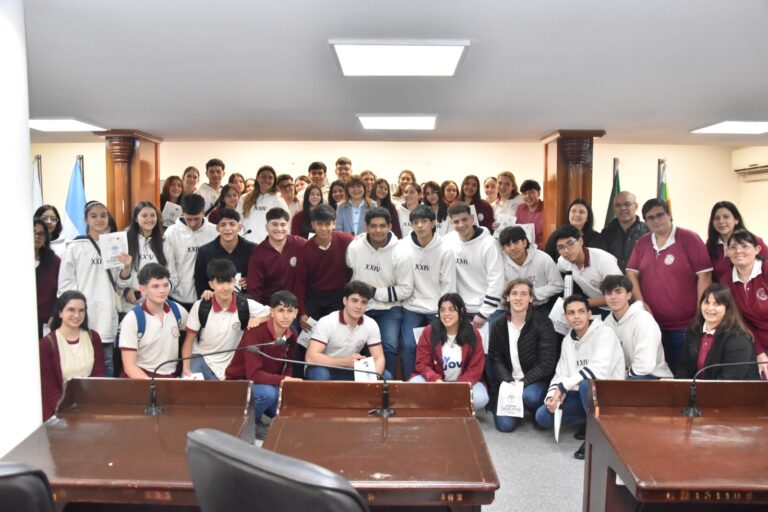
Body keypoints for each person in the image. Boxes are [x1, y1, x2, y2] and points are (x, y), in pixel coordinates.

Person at [626, 198, 712, 372]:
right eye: (651, 217)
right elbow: (630, 273)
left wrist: (699, 314)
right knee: (658, 377)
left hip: (685, 327)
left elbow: (705, 275)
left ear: (669, 215)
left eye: (660, 215)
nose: (656, 220)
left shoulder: (689, 238)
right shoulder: (642, 242)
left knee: (683, 376)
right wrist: (641, 303)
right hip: (652, 326)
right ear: (646, 221)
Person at [534, 294, 625, 460]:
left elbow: (599, 370)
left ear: (589, 314)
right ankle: (588, 420)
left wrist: (564, 386)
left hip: (608, 394)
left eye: (581, 311)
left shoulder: (605, 333)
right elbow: (560, 374)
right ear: (565, 317)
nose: (576, 316)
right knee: (543, 416)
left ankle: (595, 436)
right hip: (580, 395)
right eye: (571, 313)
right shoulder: (568, 341)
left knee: (586, 384)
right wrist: (552, 397)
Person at [226, 290, 301, 440]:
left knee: (293, 411)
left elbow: (288, 365)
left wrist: (287, 384)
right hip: (242, 383)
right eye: (280, 311)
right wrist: (283, 381)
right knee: (268, 394)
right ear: (271, 312)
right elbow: (253, 375)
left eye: (290, 311)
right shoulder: (255, 332)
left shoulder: (292, 334)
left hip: (269, 383)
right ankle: (249, 423)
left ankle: (260, 417)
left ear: (296, 313)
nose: (285, 316)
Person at [346, 207, 413, 376]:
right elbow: (349, 273)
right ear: (366, 227)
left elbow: (405, 290)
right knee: (350, 344)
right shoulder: (354, 247)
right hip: (361, 306)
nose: (378, 230)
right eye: (373, 226)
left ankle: (386, 384)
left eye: (383, 226)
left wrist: (374, 292)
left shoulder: (402, 252)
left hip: (389, 309)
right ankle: (357, 385)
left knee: (389, 344)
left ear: (390, 226)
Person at [58, 201, 120, 376]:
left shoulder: (115, 245)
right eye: (94, 216)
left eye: (103, 215)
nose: (99, 219)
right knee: (81, 363)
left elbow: (120, 283)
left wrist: (127, 268)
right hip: (83, 315)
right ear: (86, 219)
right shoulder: (75, 247)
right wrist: (74, 311)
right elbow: (65, 285)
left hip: (107, 314)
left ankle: (106, 401)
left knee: (107, 362)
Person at [488, 279, 557, 432]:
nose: (518, 298)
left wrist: (522, 383)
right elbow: (495, 358)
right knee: (505, 426)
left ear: (531, 298)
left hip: (533, 382)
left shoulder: (543, 323)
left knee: (530, 397)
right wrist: (508, 380)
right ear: (507, 297)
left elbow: (546, 364)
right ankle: (515, 407)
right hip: (510, 382)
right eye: (514, 293)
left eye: (524, 294)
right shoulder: (498, 325)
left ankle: (535, 408)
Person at [182, 259, 268, 381]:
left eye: (229, 282)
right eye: (220, 282)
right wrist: (186, 368)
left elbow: (273, 314)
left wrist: (259, 319)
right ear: (211, 284)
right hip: (202, 359)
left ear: (235, 282)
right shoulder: (200, 306)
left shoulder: (245, 304)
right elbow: (189, 341)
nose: (225, 287)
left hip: (231, 364)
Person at [397, 205, 457, 378]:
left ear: (433, 224)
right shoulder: (402, 246)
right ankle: (412, 382)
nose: (420, 226)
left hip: (436, 309)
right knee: (408, 345)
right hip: (411, 306)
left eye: (424, 221)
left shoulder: (445, 249)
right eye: (415, 222)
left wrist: (444, 313)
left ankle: (438, 383)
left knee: (440, 347)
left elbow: (448, 285)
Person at [410, 293, 488, 411]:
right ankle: (452, 406)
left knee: (480, 398)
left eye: (452, 310)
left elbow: (476, 368)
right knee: (413, 387)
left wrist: (457, 387)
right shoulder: (429, 331)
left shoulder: (473, 333)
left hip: (462, 383)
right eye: (442, 310)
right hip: (436, 382)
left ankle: (441, 405)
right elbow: (422, 363)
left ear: (461, 311)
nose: (446, 314)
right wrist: (435, 379)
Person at [39, 291, 105, 420]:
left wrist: (89, 406)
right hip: (60, 412)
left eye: (81, 311)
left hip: (89, 406)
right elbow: (48, 386)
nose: (77, 315)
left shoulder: (93, 337)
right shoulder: (46, 344)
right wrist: (67, 411)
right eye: (71, 310)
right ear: (60, 313)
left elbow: (98, 374)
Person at [305, 281, 388, 380]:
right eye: (354, 300)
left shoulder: (371, 324)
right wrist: (344, 362)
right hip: (323, 366)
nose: (359, 306)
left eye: (363, 302)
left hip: (350, 369)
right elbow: (311, 357)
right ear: (345, 301)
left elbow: (379, 358)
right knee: (321, 374)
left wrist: (374, 377)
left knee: (385, 376)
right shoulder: (327, 322)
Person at [674, 284, 759, 380]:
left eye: (717, 304)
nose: (710, 308)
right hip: (696, 391)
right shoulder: (693, 331)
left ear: (727, 308)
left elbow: (729, 380)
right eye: (706, 302)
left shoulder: (738, 339)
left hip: (731, 393)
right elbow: (683, 367)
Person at [120, 263, 188, 378]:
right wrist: (151, 386)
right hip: (141, 376)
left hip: (171, 376)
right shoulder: (132, 319)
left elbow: (193, 336)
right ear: (143, 289)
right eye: (155, 286)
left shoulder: (177, 310)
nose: (162, 291)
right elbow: (129, 366)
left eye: (165, 285)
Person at [444, 203, 505, 330]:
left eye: (464, 219)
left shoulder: (490, 244)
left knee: (489, 349)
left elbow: (496, 281)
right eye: (456, 221)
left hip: (490, 310)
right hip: (462, 310)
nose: (461, 225)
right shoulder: (447, 241)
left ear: (472, 218)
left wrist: (483, 313)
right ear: (450, 223)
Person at [600, 275, 673, 379]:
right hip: (625, 376)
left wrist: (621, 376)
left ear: (629, 295)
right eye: (609, 293)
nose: (613, 297)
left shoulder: (643, 320)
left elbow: (645, 366)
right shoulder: (607, 323)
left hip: (652, 377)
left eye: (618, 292)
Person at [721, 229, 768, 375]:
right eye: (733, 247)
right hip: (757, 341)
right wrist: (759, 352)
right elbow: (740, 321)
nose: (738, 251)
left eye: (744, 246)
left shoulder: (766, 269)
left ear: (757, 249)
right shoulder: (726, 280)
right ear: (727, 252)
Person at [164, 194, 219, 312]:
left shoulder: (214, 231)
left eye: (196, 219)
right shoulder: (171, 233)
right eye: (189, 219)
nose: (193, 223)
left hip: (208, 295)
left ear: (203, 212)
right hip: (178, 296)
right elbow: (166, 265)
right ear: (182, 213)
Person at [117, 201, 173, 314]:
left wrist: (158, 292)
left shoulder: (164, 243)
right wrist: (125, 291)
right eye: (144, 215)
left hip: (157, 308)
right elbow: (117, 279)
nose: (149, 219)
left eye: (153, 215)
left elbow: (173, 277)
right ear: (136, 219)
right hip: (130, 309)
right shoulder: (124, 241)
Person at [554, 225, 621, 315]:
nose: (566, 251)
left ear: (580, 241)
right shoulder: (563, 261)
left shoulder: (603, 260)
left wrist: (579, 302)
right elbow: (553, 272)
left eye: (570, 244)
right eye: (561, 247)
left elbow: (617, 295)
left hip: (617, 307)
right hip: (593, 306)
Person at [247, 208, 306, 305]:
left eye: (283, 225)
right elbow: (254, 290)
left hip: (297, 306)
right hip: (270, 307)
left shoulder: (301, 244)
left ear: (288, 226)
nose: (279, 229)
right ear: (266, 227)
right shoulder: (258, 253)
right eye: (274, 224)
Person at [499, 226, 563, 313]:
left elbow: (558, 285)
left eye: (516, 242)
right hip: (511, 309)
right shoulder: (499, 263)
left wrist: (532, 293)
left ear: (524, 243)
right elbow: (499, 290)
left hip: (539, 307)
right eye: (508, 245)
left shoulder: (543, 258)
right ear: (503, 248)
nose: (512, 248)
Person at [194, 208, 256, 297]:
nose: (227, 229)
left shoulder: (252, 249)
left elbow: (258, 278)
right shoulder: (205, 251)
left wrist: (249, 281)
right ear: (217, 228)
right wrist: (205, 295)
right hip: (215, 305)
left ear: (239, 227)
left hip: (245, 303)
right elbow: (200, 281)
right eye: (223, 225)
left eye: (232, 224)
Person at [705, 201, 768, 282]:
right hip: (724, 292)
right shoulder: (711, 245)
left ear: (736, 220)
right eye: (716, 218)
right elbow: (708, 275)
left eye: (726, 217)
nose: (721, 221)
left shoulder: (754, 241)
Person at [237, 165, 289, 244]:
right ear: (257, 178)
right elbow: (237, 220)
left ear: (274, 181)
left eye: (270, 177)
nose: (267, 180)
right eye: (263, 176)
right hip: (245, 243)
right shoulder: (244, 198)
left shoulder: (279, 200)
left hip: (270, 244)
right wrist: (241, 238)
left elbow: (285, 224)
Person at [601, 191, 649, 272]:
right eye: (618, 205)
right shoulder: (606, 233)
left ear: (636, 206)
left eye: (627, 204)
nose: (622, 208)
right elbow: (602, 262)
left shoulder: (647, 232)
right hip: (613, 282)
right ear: (614, 208)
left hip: (640, 282)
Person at [34, 217, 60, 338]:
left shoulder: (54, 261)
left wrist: (55, 315)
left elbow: (61, 290)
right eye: (33, 233)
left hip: (47, 323)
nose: (37, 237)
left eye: (41, 234)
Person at [515, 179, 545, 250]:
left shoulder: (547, 208)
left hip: (543, 249)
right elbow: (517, 229)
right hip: (524, 249)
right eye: (525, 193)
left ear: (539, 192)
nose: (528, 196)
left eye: (531, 192)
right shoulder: (520, 208)